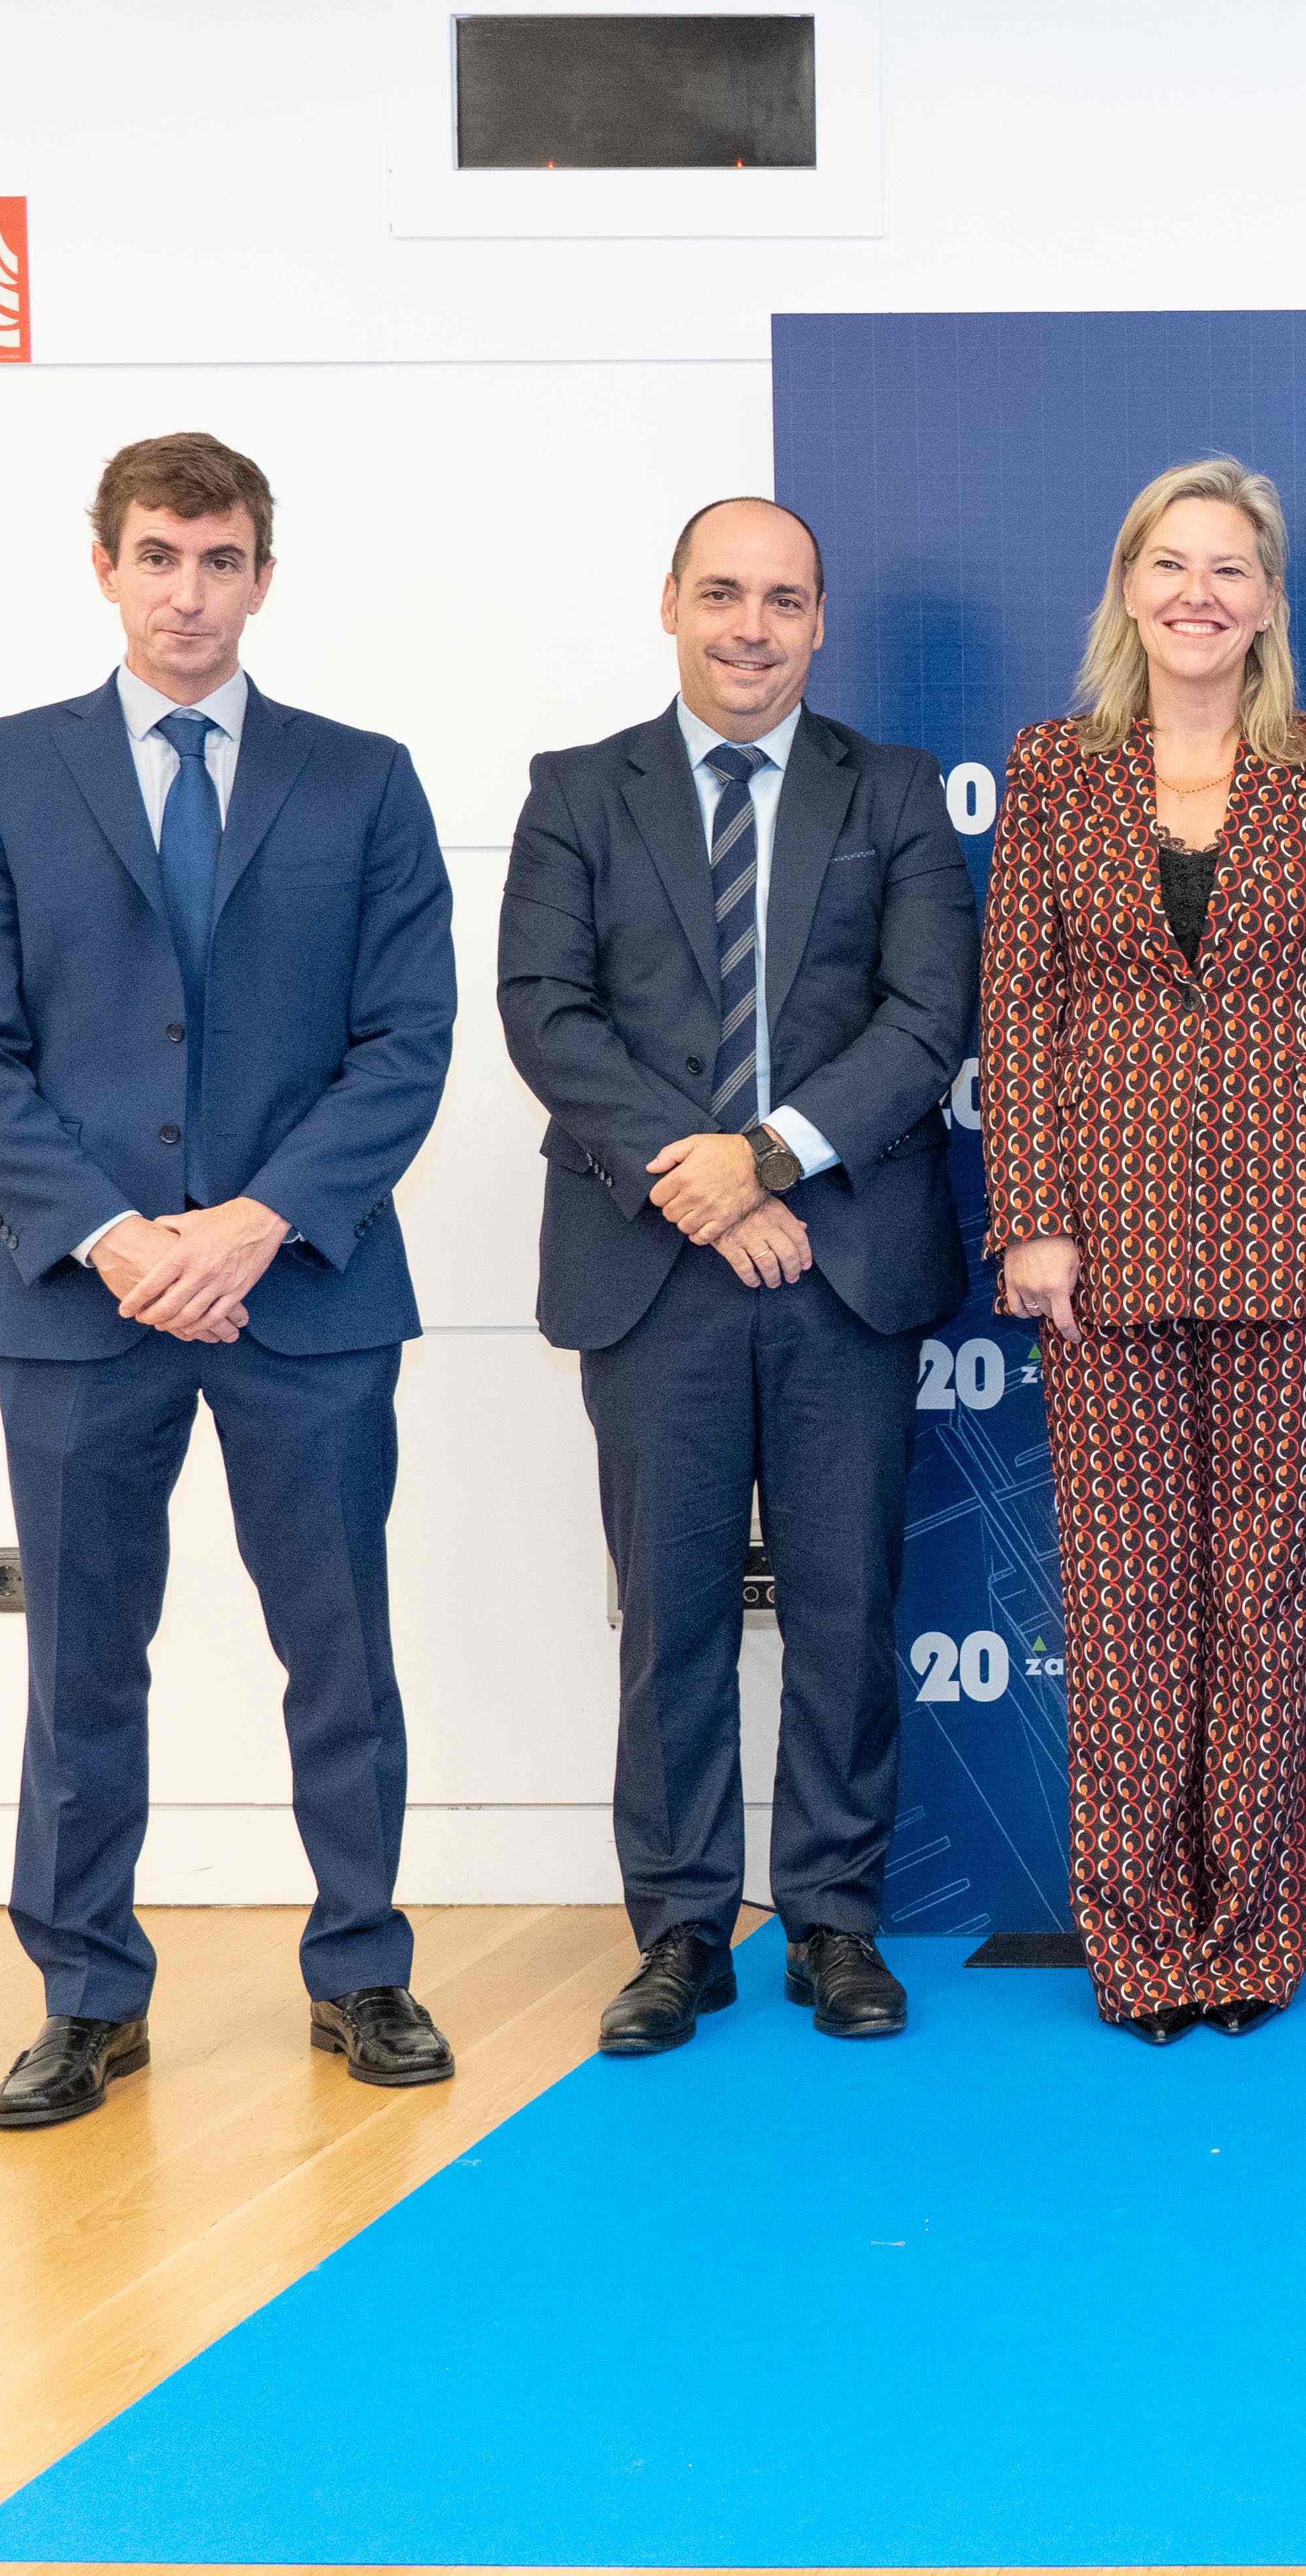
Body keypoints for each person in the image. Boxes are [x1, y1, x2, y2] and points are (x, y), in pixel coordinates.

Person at [0, 432, 460, 2128]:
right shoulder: (3, 775)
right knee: (82, 1662)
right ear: (107, 568)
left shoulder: (362, 778)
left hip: (303, 1294)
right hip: (85, 1303)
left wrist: (251, 1225)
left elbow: (405, 1041)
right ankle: (87, 1997)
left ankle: (362, 1969)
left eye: (221, 562)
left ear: (263, 579)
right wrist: (121, 1235)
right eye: (159, 557)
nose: (189, 594)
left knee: (340, 1651)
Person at [499, 497, 977, 2059]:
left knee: (846, 1611)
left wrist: (763, 1156)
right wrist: (702, 1186)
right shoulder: (576, 793)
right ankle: (681, 1933)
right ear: (670, 605)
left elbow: (925, 1020)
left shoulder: (893, 792)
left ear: (821, 621)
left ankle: (834, 1921)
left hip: (840, 1264)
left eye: (782, 600)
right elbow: (548, 1016)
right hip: (653, 1269)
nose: (750, 627)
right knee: (673, 1618)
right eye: (722, 595)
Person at [981, 456, 1306, 2042]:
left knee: (1256, 1601)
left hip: (1286, 1243)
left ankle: (1248, 1937)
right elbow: (1016, 1007)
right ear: (1125, 586)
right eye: (1171, 564)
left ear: (1268, 603)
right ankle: (1138, 1942)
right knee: (1122, 1609)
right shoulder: (1052, 768)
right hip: (1095, 1255)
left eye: (1229, 570)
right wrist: (1027, 1213)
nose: (1198, 595)